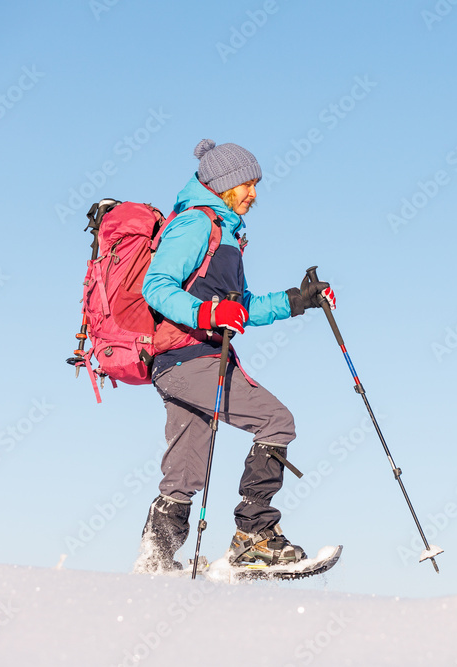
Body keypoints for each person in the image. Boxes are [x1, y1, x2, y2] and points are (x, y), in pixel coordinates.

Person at [133, 139, 334, 573]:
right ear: (222, 183)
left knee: (185, 468)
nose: (254, 194)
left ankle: (156, 559)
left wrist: (298, 299)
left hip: (180, 363)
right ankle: (254, 536)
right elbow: (157, 284)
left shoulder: (225, 234)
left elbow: (242, 308)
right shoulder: (195, 225)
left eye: (256, 184)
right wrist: (206, 311)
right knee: (276, 420)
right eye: (247, 183)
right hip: (190, 358)